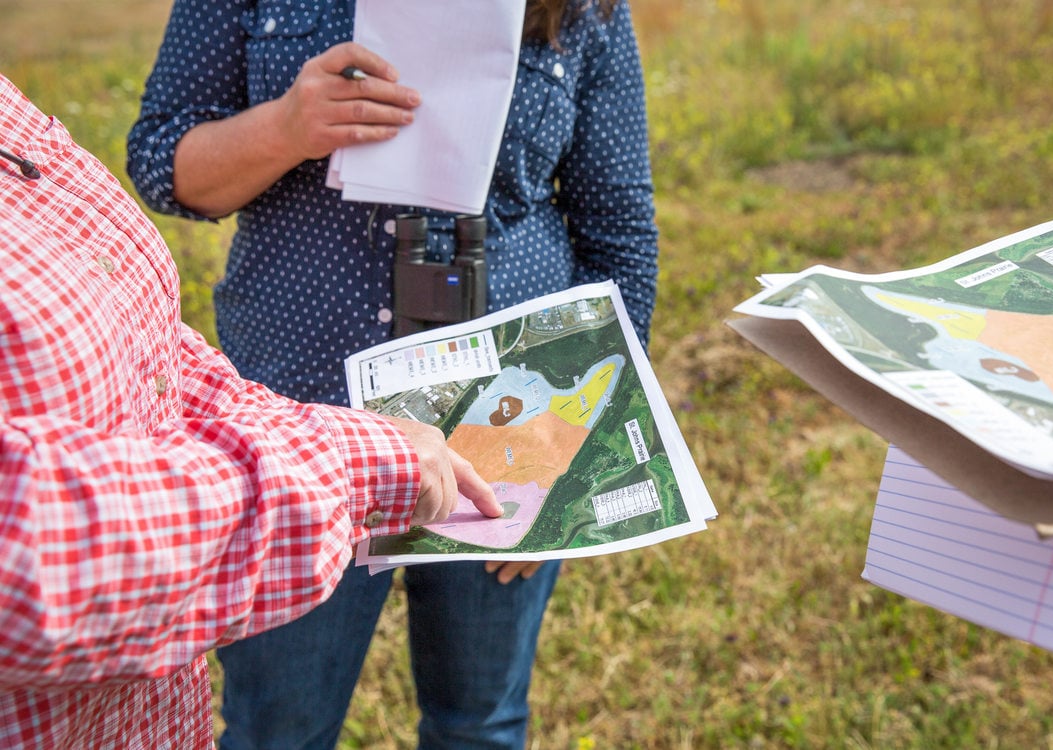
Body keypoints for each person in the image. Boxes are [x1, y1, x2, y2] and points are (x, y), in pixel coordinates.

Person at [127, 0, 658, 746]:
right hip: (297, 417)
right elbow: (160, 163)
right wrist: (285, 128)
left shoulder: (585, 9)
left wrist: (578, 465)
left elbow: (619, 228)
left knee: (479, 722)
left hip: (508, 427)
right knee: (277, 726)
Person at [0, 73, 501, 748]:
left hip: (140, 708)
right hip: (312, 443)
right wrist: (343, 466)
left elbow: (142, 348)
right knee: (282, 723)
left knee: (482, 719)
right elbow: (22, 543)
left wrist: (300, 437)